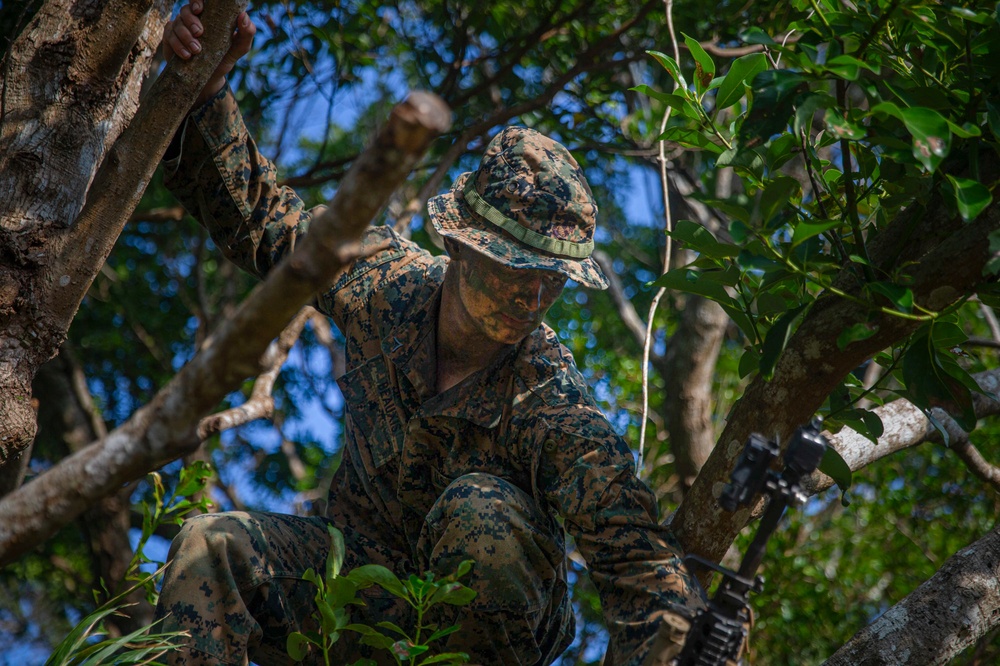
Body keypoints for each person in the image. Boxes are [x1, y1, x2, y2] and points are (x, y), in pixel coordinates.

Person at [156, 5, 705, 665]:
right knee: (207, 543)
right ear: (459, 244)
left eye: (553, 281)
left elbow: (647, 574)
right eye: (515, 270)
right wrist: (206, 90)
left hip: (491, 632)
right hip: (356, 595)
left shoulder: (555, 407)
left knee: (480, 512)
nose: (533, 296)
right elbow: (263, 221)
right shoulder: (384, 282)